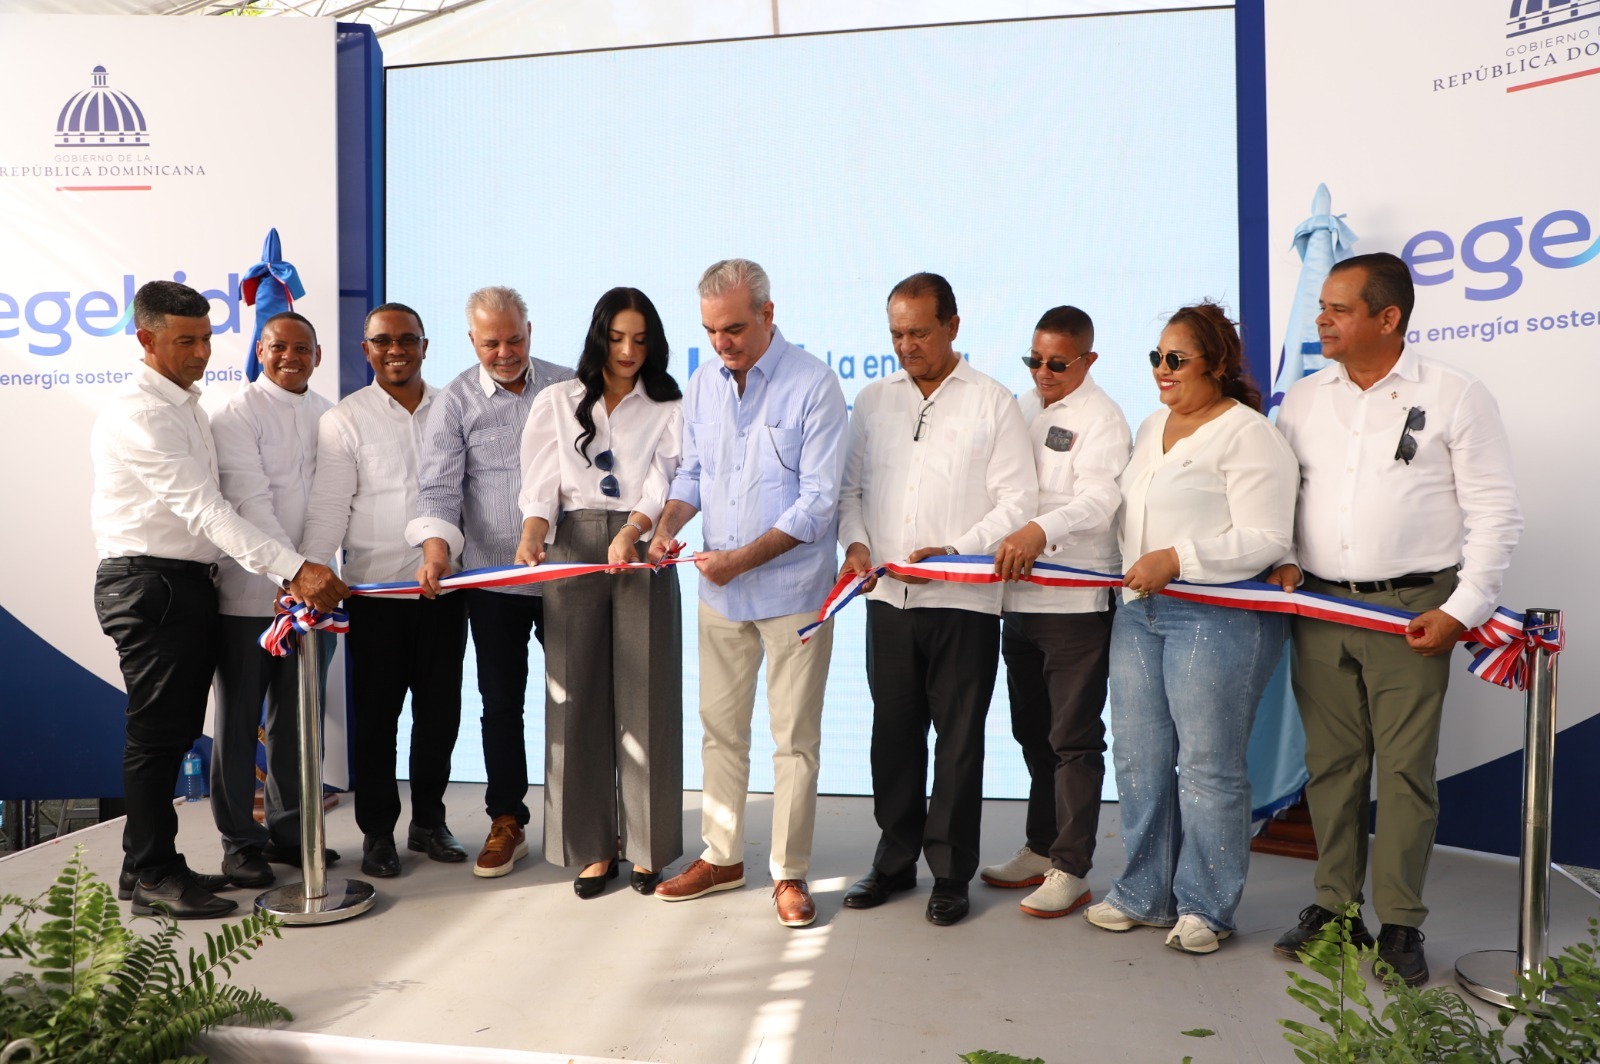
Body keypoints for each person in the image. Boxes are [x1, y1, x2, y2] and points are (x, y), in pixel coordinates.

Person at [1268, 253, 1522, 986]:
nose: (1322, 320)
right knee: (1332, 766)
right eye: (1321, 307)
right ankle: (1335, 910)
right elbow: (1283, 497)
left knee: (1405, 772)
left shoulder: (1455, 394)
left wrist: (1461, 611)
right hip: (1321, 606)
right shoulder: (1303, 400)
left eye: (1338, 309)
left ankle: (1402, 924)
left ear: (1389, 318)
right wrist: (1286, 560)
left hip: (1415, 609)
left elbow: (1496, 513)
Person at [91, 280, 347, 919]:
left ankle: (145, 864)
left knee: (175, 731)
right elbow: (209, 511)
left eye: (206, 338)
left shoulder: (186, 405)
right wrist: (295, 570)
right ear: (146, 339)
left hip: (185, 583)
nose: (202, 352)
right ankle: (155, 872)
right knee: (159, 736)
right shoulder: (144, 413)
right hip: (149, 582)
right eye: (186, 340)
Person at [1081, 301, 1296, 954]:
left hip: (1217, 615)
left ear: (1217, 363)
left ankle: (1206, 906)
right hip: (1139, 612)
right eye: (1156, 357)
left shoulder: (1249, 434)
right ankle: (1144, 894)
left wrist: (1178, 559)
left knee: (1207, 765)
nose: (1161, 369)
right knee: (1140, 758)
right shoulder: (1152, 426)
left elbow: (1267, 537)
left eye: (1176, 358)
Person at [649, 259, 847, 929]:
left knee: (794, 741)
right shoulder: (703, 383)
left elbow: (818, 504)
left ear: (767, 314)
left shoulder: (814, 386)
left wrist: (740, 561)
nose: (721, 342)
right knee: (720, 732)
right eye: (710, 330)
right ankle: (722, 856)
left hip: (794, 594)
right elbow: (692, 475)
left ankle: (789, 873)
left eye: (733, 328)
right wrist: (666, 527)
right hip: (721, 595)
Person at [838, 272, 1038, 927]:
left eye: (920, 333)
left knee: (957, 741)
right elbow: (850, 493)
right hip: (887, 599)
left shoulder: (993, 402)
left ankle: (950, 874)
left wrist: (956, 552)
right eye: (896, 334)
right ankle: (894, 861)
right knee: (892, 736)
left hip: (963, 603)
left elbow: (1018, 501)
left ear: (953, 325)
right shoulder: (873, 400)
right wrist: (857, 545)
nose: (907, 346)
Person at [513, 287, 684, 899]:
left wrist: (635, 530)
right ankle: (591, 846)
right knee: (574, 692)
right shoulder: (558, 400)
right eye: (616, 338)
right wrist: (533, 531)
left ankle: (646, 847)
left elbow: (666, 480)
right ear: (598, 338)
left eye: (639, 339)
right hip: (573, 542)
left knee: (647, 693)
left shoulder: (669, 404)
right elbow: (540, 484)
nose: (628, 351)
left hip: (642, 545)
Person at [407, 286, 574, 878]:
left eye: (514, 340)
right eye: (491, 343)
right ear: (471, 341)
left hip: (566, 577)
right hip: (492, 581)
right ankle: (508, 819)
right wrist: (435, 552)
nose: (505, 353)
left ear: (530, 331)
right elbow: (438, 488)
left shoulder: (568, 386)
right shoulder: (455, 401)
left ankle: (587, 818)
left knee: (580, 698)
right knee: (501, 704)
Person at [300, 302, 471, 879]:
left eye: (407, 339)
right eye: (383, 341)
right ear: (366, 349)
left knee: (440, 716)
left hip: (445, 592)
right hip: (375, 597)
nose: (396, 350)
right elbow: (329, 507)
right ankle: (378, 833)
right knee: (377, 721)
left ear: (425, 345)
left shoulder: (453, 408)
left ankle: (429, 823)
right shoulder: (344, 420)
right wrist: (308, 571)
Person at [980, 305, 1130, 919]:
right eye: (1034, 360)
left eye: (1058, 364)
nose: (1043, 372)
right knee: (1033, 734)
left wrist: (1041, 530)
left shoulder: (1103, 418)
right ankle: (1041, 847)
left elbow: (1100, 500)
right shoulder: (1019, 408)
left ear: (1089, 360)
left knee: (1073, 740)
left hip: (1075, 605)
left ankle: (1071, 867)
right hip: (1018, 600)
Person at [207, 311, 337, 888]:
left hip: (315, 600)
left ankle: (291, 832)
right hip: (248, 598)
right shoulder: (236, 414)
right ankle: (240, 842)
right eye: (278, 347)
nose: (290, 357)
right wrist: (296, 574)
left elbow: (334, 502)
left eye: (302, 348)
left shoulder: (331, 415)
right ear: (260, 351)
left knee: (299, 723)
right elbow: (249, 504)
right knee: (238, 725)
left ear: (318, 355)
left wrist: (314, 576)